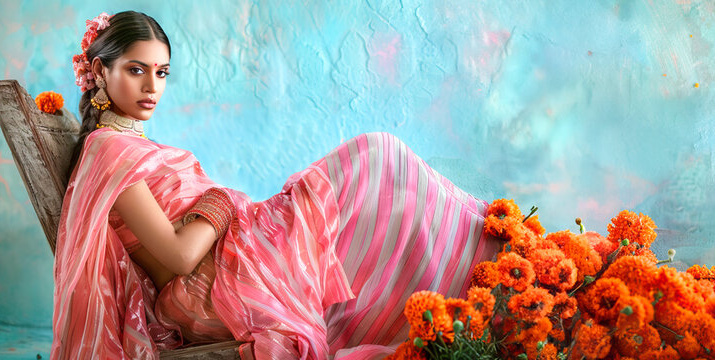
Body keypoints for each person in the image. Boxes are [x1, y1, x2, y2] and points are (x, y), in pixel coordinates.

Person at [51, 10, 503, 360]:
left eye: (162, 72)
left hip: (237, 255)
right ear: (99, 69)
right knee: (376, 158)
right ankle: (494, 288)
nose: (153, 87)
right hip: (215, 285)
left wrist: (223, 209)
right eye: (136, 70)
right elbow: (180, 255)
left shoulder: (125, 143)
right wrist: (221, 200)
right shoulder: (109, 151)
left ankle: (495, 274)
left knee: (380, 177)